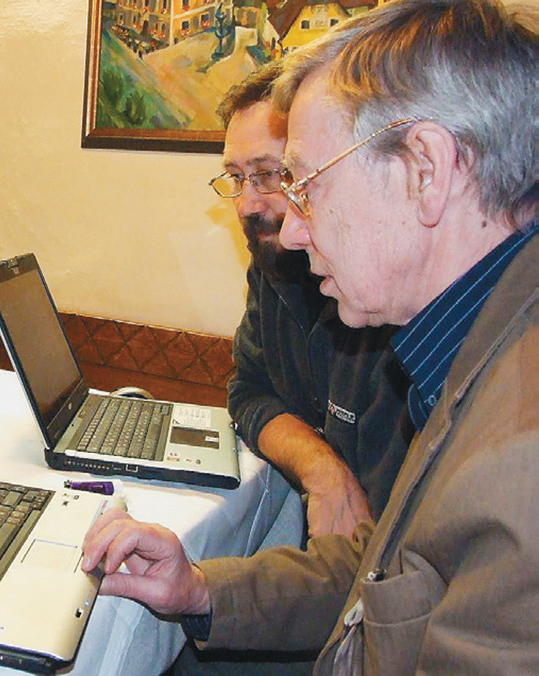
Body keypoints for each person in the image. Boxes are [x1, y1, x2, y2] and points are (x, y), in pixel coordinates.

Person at [82, 1, 539, 673]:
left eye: (303, 182)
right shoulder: (468, 351)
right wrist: (199, 589)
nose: (291, 231)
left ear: (427, 170)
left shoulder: (518, 457)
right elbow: (386, 573)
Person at [213, 66, 413, 546]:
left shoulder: (385, 299)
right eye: (236, 177)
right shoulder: (273, 267)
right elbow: (248, 392)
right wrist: (322, 468)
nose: (245, 204)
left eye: (270, 175)